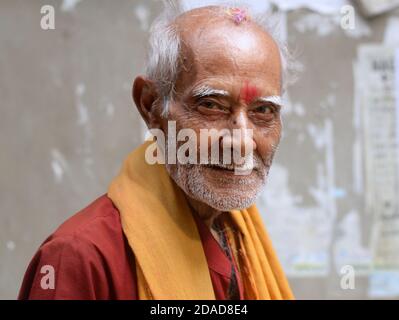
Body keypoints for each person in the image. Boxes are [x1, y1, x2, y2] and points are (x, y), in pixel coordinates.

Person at [19, 3, 295, 300]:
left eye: (263, 110)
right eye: (211, 105)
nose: (241, 142)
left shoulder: (238, 233)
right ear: (151, 105)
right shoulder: (80, 257)